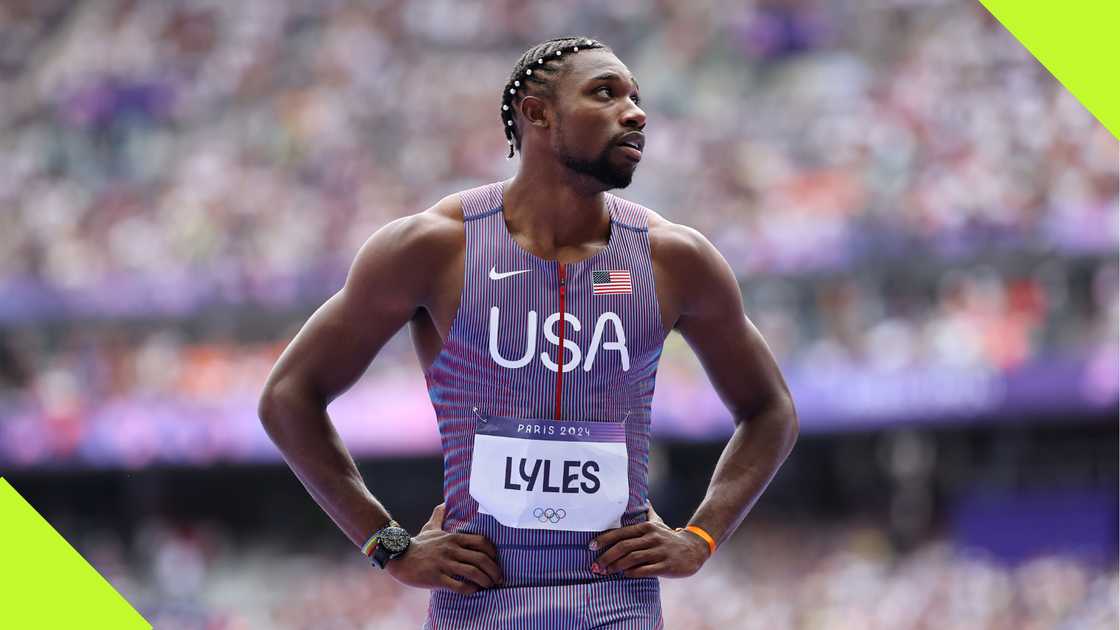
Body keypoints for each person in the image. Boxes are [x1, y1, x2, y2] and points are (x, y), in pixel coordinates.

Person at [258, 36, 799, 629]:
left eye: (636, 98)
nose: (636, 112)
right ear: (536, 113)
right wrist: (388, 546)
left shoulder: (674, 259)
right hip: (478, 606)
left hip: (617, 608)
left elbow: (770, 409)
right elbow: (288, 397)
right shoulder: (434, 247)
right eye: (605, 92)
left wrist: (700, 537)